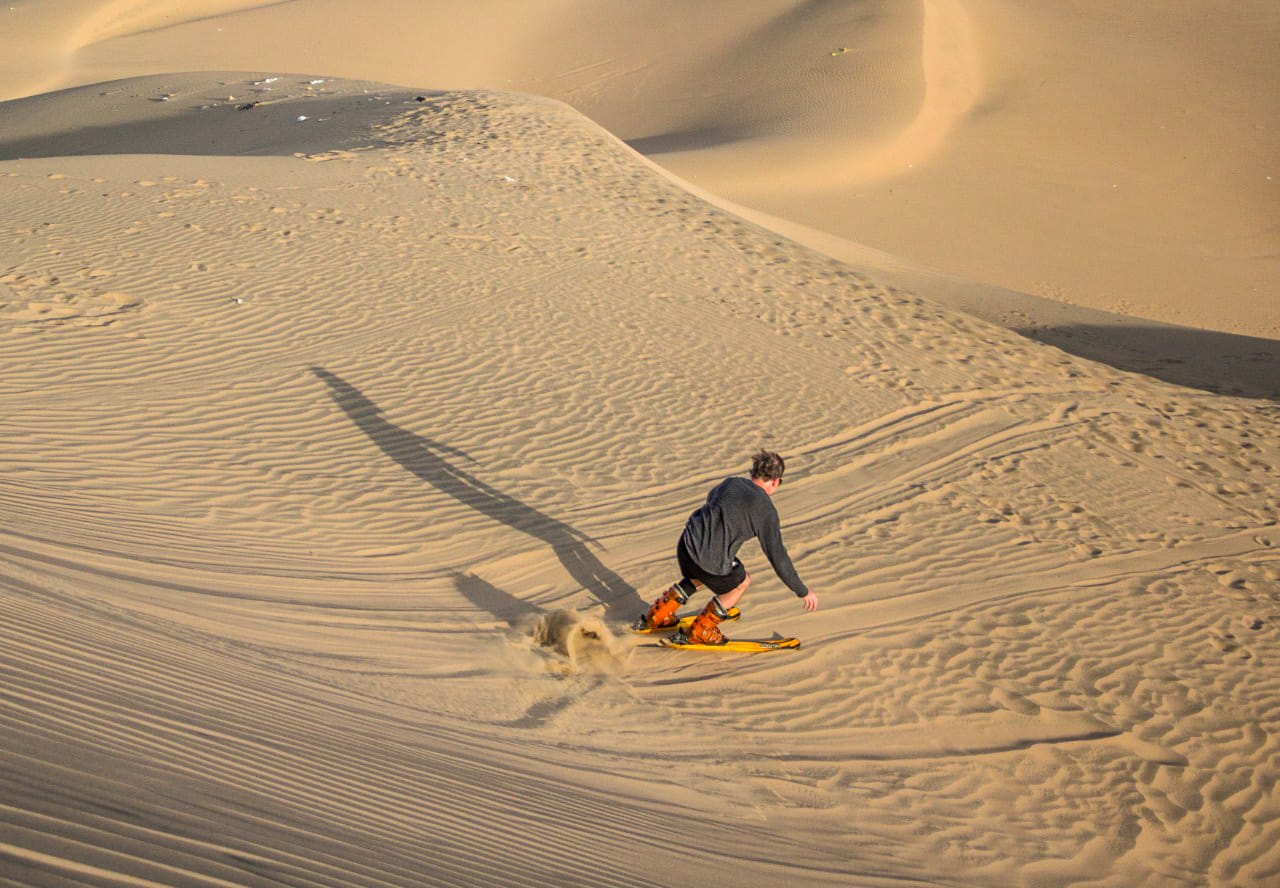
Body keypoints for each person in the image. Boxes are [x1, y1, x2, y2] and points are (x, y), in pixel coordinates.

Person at [634, 450, 817, 644]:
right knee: (742, 581)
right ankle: (702, 630)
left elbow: (711, 499)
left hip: (686, 547)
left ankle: (658, 614)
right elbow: (778, 557)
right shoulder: (766, 511)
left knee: (700, 573)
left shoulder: (731, 483)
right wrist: (802, 591)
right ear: (774, 481)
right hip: (708, 561)